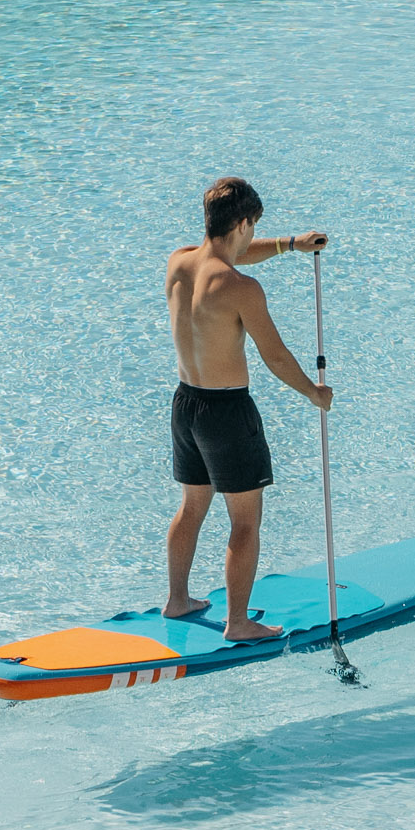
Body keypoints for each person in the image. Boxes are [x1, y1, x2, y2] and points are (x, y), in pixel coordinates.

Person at [162, 174, 332, 641]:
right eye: (254, 227)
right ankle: (237, 623)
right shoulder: (242, 288)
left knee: (192, 506)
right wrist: (314, 394)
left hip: (186, 405)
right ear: (242, 223)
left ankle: (178, 600)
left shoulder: (179, 263)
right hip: (227, 414)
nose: (253, 235)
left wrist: (289, 245)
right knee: (245, 522)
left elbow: (229, 254)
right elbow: (275, 357)